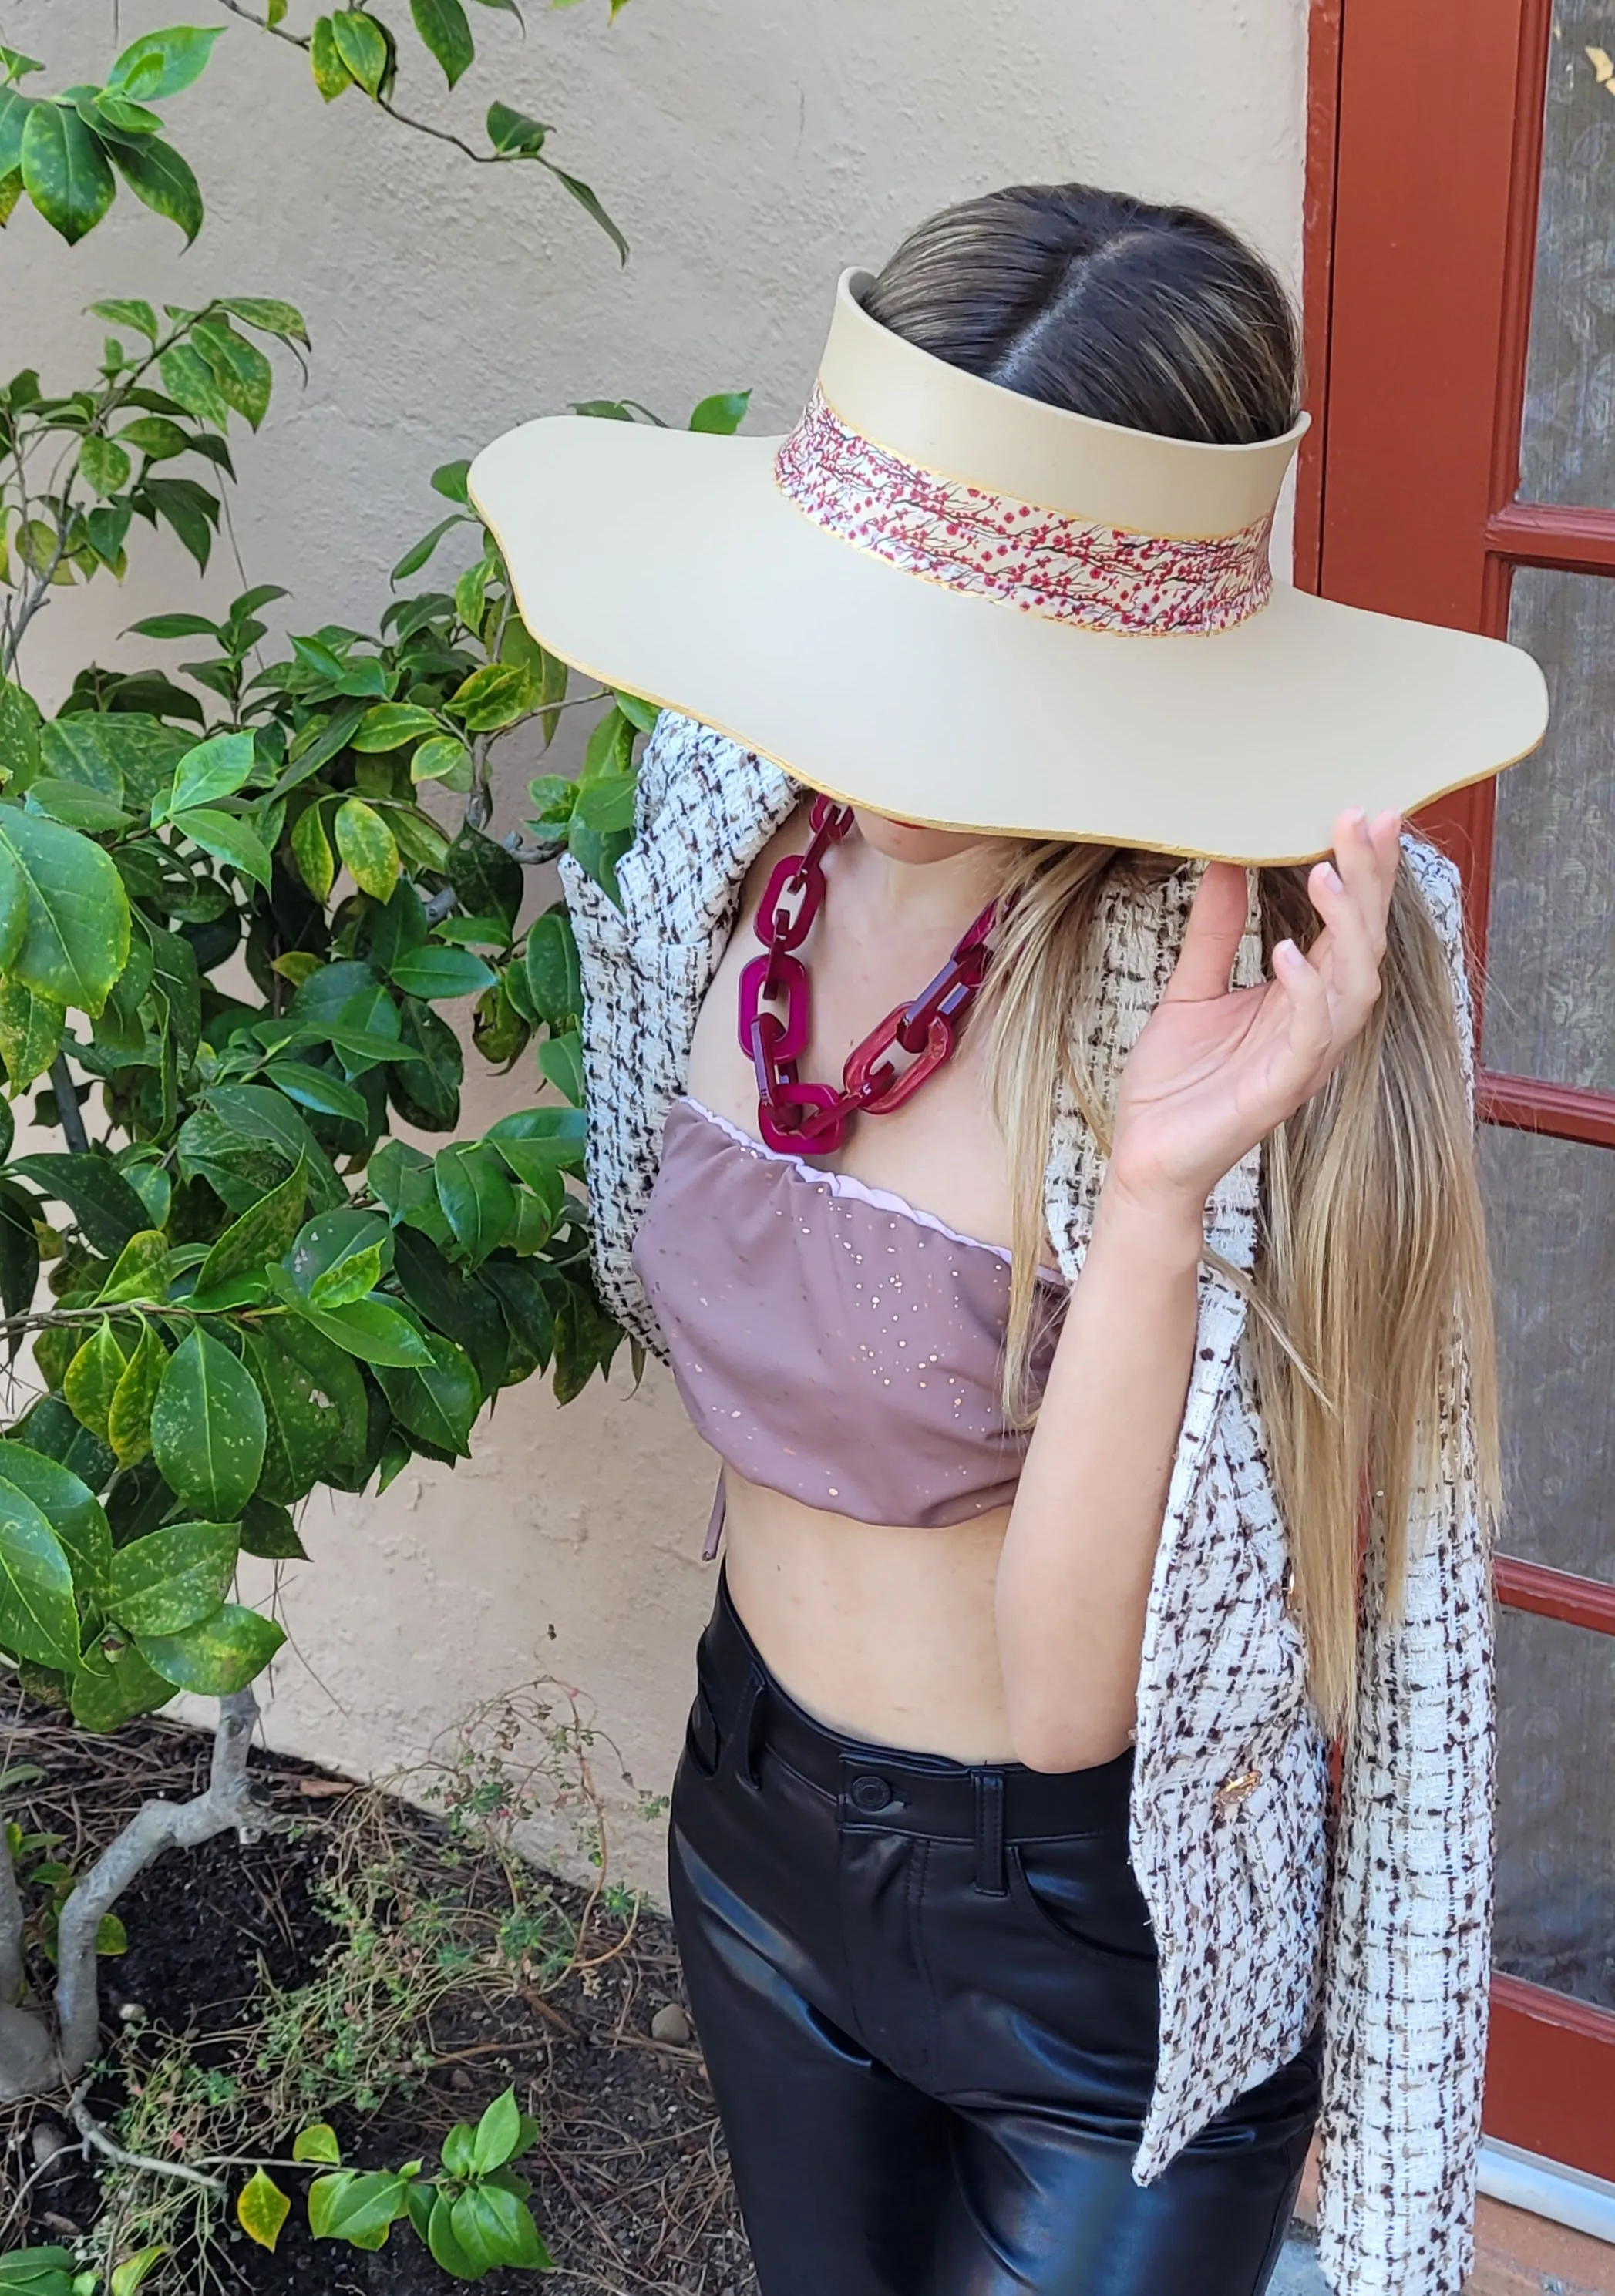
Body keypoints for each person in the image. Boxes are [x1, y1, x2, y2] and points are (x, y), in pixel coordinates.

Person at [470, 185, 1548, 2296]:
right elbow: (673, 1286)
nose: (878, 742)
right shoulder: (722, 805)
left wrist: (1149, 1205)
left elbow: (1191, 1680)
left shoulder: (1295, 961)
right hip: (755, 1827)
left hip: (1105, 1947)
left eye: (977, 676)